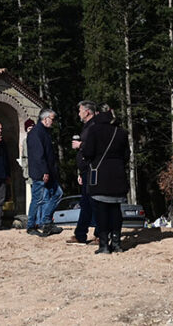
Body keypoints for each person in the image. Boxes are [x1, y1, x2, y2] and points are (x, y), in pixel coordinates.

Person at [81, 107, 129, 254]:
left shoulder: (94, 131)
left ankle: (103, 245)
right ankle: (116, 243)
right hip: (118, 175)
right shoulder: (121, 132)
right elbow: (126, 156)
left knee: (101, 210)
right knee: (116, 210)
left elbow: (88, 152)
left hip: (100, 175)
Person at [66, 100, 100, 245]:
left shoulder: (94, 127)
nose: (79, 113)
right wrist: (81, 172)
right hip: (86, 170)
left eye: (80, 110)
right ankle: (80, 234)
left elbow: (97, 147)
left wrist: (81, 145)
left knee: (94, 202)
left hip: (93, 170)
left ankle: (100, 234)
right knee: (85, 202)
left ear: (87, 112)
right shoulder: (86, 127)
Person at [25, 108, 63, 237]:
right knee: (38, 199)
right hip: (41, 172)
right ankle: (31, 225)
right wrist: (44, 172)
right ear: (45, 118)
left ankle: (46, 221)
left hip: (49, 172)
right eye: (52, 119)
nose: (53, 122)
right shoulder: (36, 133)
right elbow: (38, 155)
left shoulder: (45, 132)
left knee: (58, 193)